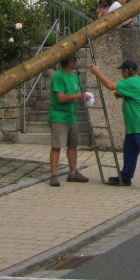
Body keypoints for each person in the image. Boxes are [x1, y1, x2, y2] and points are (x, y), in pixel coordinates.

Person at [97, 60, 140, 193]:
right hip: (135, 125)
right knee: (129, 151)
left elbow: (110, 85)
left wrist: (97, 73)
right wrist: (123, 94)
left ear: (127, 71)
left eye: (122, 71)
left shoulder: (131, 82)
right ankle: (125, 176)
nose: (121, 74)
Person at [47, 54, 89, 186]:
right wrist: (78, 96)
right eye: (75, 59)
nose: (77, 61)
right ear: (70, 62)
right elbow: (61, 97)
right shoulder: (58, 77)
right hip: (59, 117)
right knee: (57, 146)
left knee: (73, 145)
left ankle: (73, 172)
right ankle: (53, 175)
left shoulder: (74, 76)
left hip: (72, 116)